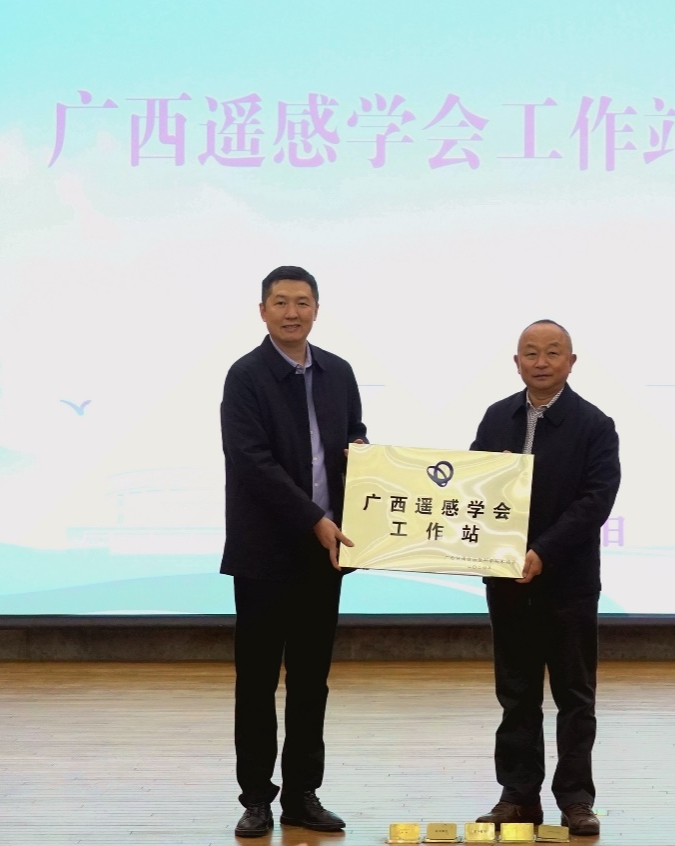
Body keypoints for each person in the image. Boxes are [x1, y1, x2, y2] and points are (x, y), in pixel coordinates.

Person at [219, 265, 366, 837]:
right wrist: (313, 519)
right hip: (264, 554)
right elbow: (252, 462)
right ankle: (256, 797)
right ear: (262, 311)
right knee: (257, 680)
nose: (292, 312)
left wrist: (366, 461)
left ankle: (303, 794)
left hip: (322, 556)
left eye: (302, 302)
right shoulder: (245, 376)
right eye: (280, 302)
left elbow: (354, 436)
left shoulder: (339, 372)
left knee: (311, 680)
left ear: (316, 310)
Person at [469, 319, 621, 838]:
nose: (541, 361)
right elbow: (470, 490)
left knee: (575, 696)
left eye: (552, 352)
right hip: (505, 579)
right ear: (516, 362)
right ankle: (518, 797)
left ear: (571, 362)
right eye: (530, 352)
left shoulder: (595, 425)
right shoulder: (497, 418)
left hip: (567, 581)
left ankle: (576, 799)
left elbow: (595, 502)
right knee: (516, 694)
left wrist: (543, 552)